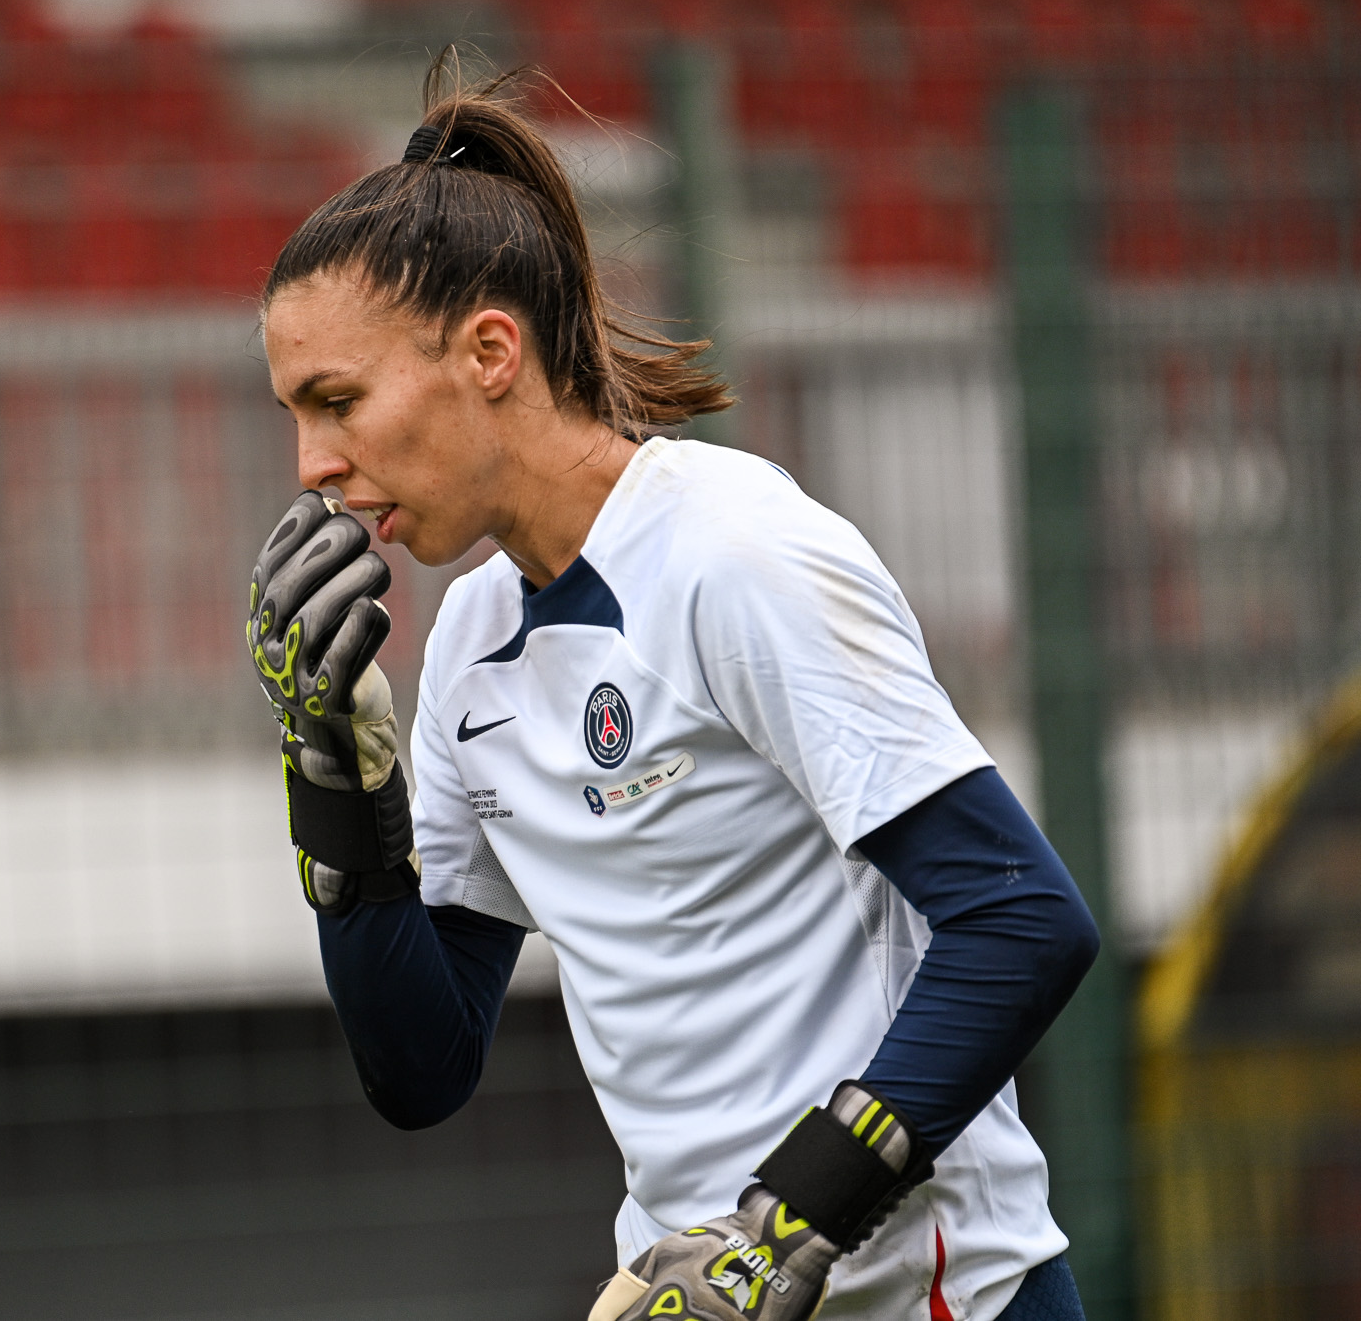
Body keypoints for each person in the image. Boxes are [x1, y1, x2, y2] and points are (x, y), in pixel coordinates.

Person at [244, 64, 1098, 1321]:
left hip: (925, 1297)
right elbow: (420, 1066)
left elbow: (1021, 922)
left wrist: (785, 1223)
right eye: (294, 414)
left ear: (490, 351)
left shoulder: (732, 554)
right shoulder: (473, 639)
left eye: (337, 401)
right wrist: (336, 787)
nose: (313, 466)